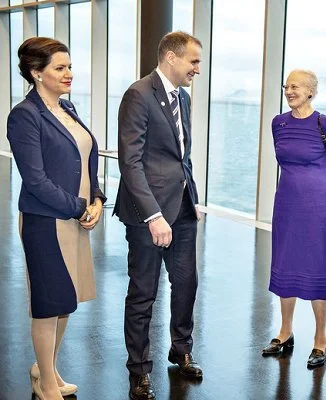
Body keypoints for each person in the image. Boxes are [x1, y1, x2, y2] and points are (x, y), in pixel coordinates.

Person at [7, 37, 106, 400]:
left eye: (69, 66)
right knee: (49, 304)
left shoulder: (68, 107)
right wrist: (80, 207)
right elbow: (34, 180)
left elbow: (86, 158)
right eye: (59, 68)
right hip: (45, 221)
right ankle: (45, 383)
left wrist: (96, 197)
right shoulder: (24, 116)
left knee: (65, 300)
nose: (69, 74)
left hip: (75, 217)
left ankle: (44, 368)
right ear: (36, 73)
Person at [113, 31, 203, 400]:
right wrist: (153, 215)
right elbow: (130, 161)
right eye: (193, 61)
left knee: (187, 283)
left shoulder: (182, 97)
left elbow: (179, 155)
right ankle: (139, 371)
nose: (198, 69)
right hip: (147, 213)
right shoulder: (138, 94)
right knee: (143, 292)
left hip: (181, 207)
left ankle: (180, 349)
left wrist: (190, 196)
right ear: (171, 56)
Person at [262, 69, 326, 368]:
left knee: (317, 265)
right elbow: (283, 160)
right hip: (286, 202)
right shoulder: (279, 123)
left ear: (311, 91)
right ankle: (285, 333)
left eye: (295, 86)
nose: (289, 91)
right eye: (286, 86)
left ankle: (320, 338)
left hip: (318, 206)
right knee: (284, 263)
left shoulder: (324, 124)